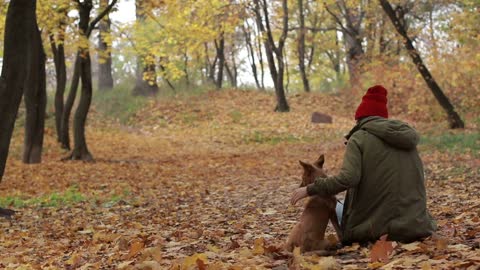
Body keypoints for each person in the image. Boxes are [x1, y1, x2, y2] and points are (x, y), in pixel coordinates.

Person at [290, 85, 437, 245]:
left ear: (360, 118)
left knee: (333, 204)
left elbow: (348, 178)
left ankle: (312, 241)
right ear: (382, 118)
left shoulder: (359, 138)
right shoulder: (406, 139)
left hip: (377, 230)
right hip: (417, 226)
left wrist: (309, 189)